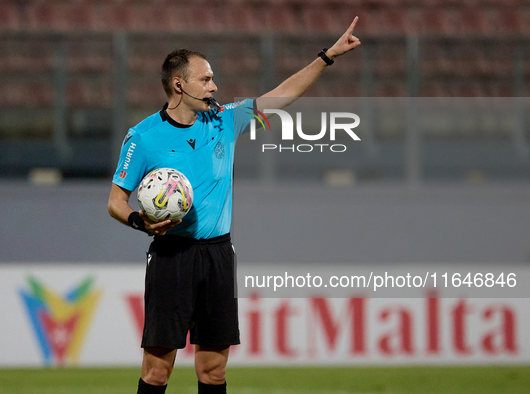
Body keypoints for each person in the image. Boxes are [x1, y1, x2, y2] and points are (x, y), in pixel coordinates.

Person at [107, 17, 361, 394]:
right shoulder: (143, 137)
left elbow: (280, 96)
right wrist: (139, 222)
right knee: (157, 371)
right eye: (206, 79)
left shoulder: (223, 120)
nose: (215, 86)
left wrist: (326, 58)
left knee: (213, 372)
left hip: (217, 255)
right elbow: (115, 200)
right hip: (171, 257)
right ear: (180, 85)